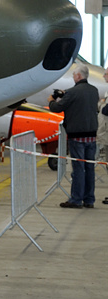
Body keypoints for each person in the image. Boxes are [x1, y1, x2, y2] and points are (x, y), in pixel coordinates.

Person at [49, 64, 101, 208]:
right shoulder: (94, 90)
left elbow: (57, 108)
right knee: (89, 168)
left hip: (77, 136)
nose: (73, 77)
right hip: (92, 135)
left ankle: (76, 200)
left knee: (78, 168)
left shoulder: (72, 92)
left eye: (73, 75)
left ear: (78, 76)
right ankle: (89, 200)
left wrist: (51, 100)